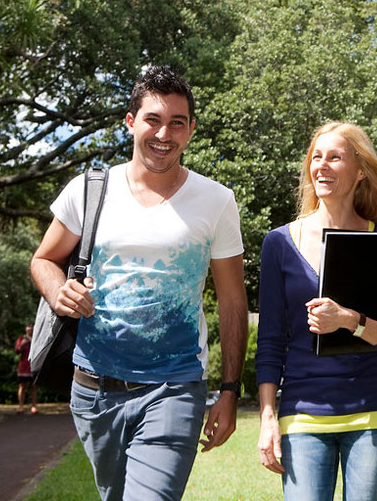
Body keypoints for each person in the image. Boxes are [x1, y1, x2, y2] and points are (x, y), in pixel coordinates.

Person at [30, 66, 249, 501]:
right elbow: (44, 260)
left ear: (190, 131)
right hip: (93, 391)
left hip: (174, 387)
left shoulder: (216, 200)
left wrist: (228, 389)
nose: (164, 133)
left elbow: (232, 300)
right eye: (153, 119)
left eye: (177, 123)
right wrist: (58, 291)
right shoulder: (90, 189)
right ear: (131, 122)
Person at [256, 121, 377, 501]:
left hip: (372, 413)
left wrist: (350, 321)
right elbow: (270, 341)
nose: (322, 166)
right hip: (302, 414)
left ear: (360, 171)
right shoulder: (278, 244)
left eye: (335, 157)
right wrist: (266, 417)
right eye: (316, 157)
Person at [15, 324, 38, 414]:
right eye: (28, 329)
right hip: (24, 366)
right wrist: (22, 345)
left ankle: (34, 406)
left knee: (34, 387)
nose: (30, 330)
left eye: (31, 329)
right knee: (22, 386)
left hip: (34, 365)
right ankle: (21, 406)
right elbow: (17, 351)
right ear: (26, 329)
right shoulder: (21, 339)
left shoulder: (37, 338)